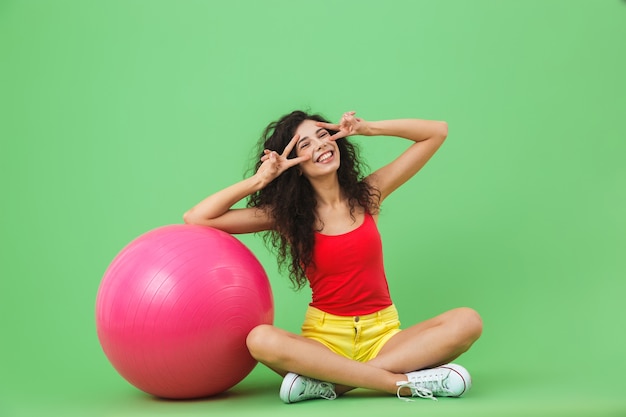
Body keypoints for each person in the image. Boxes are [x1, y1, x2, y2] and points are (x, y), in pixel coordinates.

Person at [183, 110, 482, 403]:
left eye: (323, 135)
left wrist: (368, 128)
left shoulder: (369, 194)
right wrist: (260, 180)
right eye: (306, 144)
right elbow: (198, 218)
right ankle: (401, 383)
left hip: (384, 338)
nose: (320, 145)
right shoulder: (286, 216)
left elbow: (436, 131)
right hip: (324, 342)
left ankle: (334, 384)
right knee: (259, 339)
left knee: (467, 321)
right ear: (296, 165)